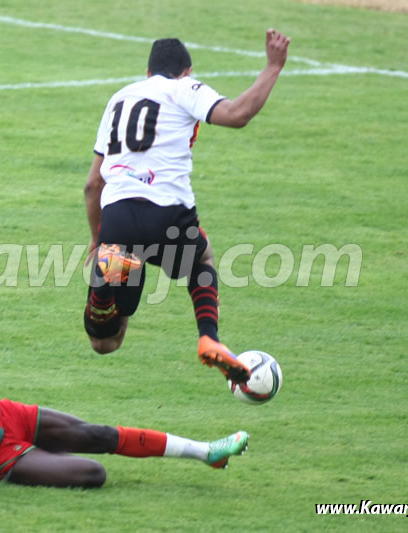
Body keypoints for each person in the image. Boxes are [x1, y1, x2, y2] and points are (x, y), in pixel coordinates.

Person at [83, 30, 291, 384]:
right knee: (201, 259)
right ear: (187, 71)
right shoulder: (184, 89)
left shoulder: (119, 98)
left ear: (148, 73)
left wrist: (96, 238)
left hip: (117, 218)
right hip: (167, 215)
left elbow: (93, 185)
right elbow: (237, 113)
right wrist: (273, 66)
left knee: (105, 341)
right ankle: (209, 336)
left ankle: (105, 288)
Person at [0, 354, 249, 507]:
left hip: (8, 417)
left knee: (98, 435)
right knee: (93, 473)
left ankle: (206, 453)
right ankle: (35, 465)